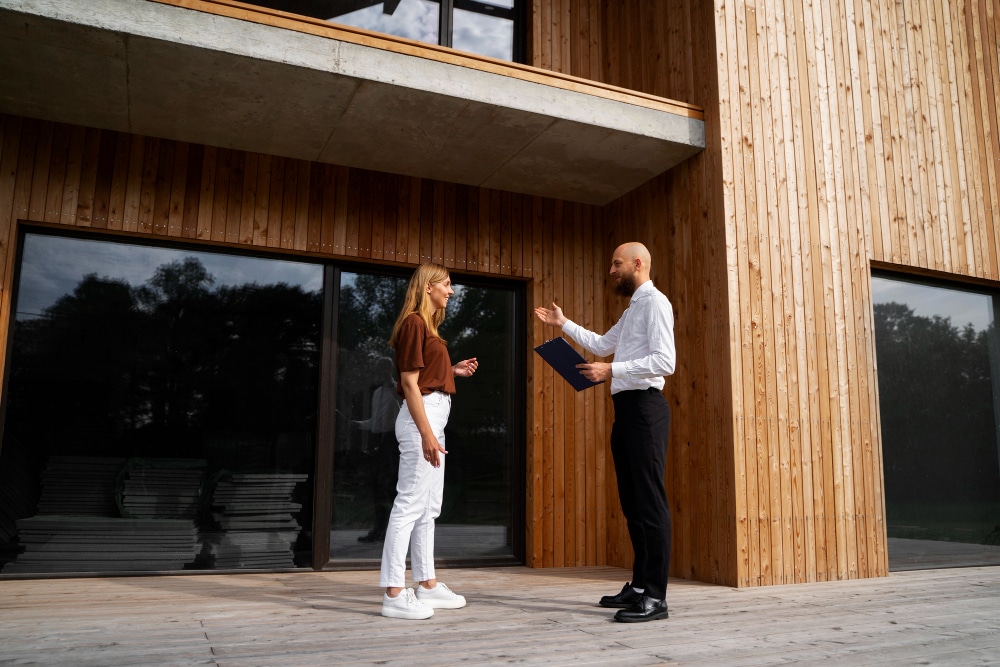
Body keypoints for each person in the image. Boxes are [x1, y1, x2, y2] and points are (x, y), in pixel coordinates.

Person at [534, 242, 675, 623]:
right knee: (632, 504)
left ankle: (656, 598)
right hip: (627, 411)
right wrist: (562, 324)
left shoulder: (656, 303)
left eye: (616, 263)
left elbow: (666, 361)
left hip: (646, 408)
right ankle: (641, 585)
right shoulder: (634, 309)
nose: (612, 270)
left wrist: (610, 370)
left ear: (637, 263)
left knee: (650, 502)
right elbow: (600, 344)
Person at [379, 262, 479, 620]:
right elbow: (409, 385)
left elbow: (423, 376)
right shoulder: (413, 323)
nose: (450, 291)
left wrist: (450, 372)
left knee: (428, 507)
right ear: (428, 288)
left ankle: (427, 584)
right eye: (447, 285)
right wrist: (426, 434)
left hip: (434, 416)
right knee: (409, 504)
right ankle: (393, 591)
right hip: (421, 420)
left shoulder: (427, 328)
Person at [353, 356, 402, 543]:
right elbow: (376, 421)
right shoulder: (376, 393)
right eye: (378, 368)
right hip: (379, 441)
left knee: (390, 487)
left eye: (385, 368)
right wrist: (356, 424)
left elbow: (405, 406)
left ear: (390, 369)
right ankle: (379, 529)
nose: (380, 372)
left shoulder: (399, 388)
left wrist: (391, 381)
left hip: (393, 441)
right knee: (378, 486)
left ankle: (394, 531)